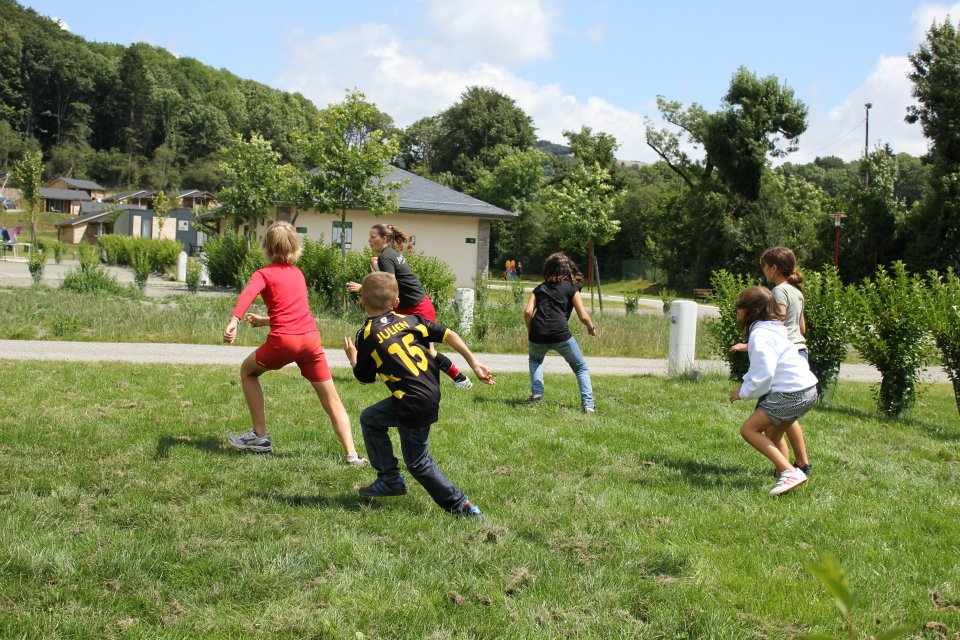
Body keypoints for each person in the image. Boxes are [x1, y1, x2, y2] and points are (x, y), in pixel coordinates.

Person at [342, 272, 495, 517]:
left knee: (419, 463)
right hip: (427, 394)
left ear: (362, 301)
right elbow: (450, 335)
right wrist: (474, 364)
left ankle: (463, 506)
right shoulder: (413, 320)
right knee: (371, 418)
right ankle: (389, 478)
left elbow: (363, 379)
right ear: (396, 303)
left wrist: (353, 359)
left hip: (411, 403)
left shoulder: (366, 335)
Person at [223, 221, 365, 464]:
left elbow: (248, 294)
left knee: (247, 371)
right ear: (295, 247)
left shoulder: (263, 274)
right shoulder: (298, 274)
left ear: (266, 246)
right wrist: (265, 321)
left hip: (284, 341)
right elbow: (294, 313)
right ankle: (352, 455)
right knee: (332, 399)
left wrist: (235, 319)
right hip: (310, 339)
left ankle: (260, 436)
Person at [346, 223, 473, 389]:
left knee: (428, 351)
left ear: (384, 239)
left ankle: (460, 379)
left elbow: (389, 287)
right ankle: (382, 371)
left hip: (417, 307)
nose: (369, 240)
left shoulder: (386, 257)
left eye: (373, 237)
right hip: (407, 306)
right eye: (369, 236)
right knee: (385, 340)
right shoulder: (390, 254)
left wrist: (363, 288)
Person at [729, 286, 818, 496]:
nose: (737, 312)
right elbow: (762, 366)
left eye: (739, 308)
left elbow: (765, 372)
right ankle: (783, 478)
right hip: (808, 390)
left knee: (749, 430)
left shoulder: (760, 335)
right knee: (773, 434)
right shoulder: (772, 328)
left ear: (753, 311)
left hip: (791, 394)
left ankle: (790, 471)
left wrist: (744, 391)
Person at [730, 246, 811, 475]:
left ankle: (786, 471)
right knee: (781, 416)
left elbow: (779, 322)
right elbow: (802, 328)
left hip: (784, 358)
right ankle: (800, 465)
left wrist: (751, 344)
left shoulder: (777, 293)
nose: (763, 271)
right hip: (798, 354)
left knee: (763, 420)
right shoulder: (797, 291)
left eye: (764, 266)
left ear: (773, 268)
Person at [523, 252, 597, 412]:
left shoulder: (539, 289)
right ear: (567, 269)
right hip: (560, 334)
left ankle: (536, 395)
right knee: (580, 367)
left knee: (535, 361)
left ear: (548, 269)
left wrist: (531, 332)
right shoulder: (571, 287)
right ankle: (589, 405)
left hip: (537, 334)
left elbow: (528, 312)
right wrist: (591, 328)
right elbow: (583, 315)